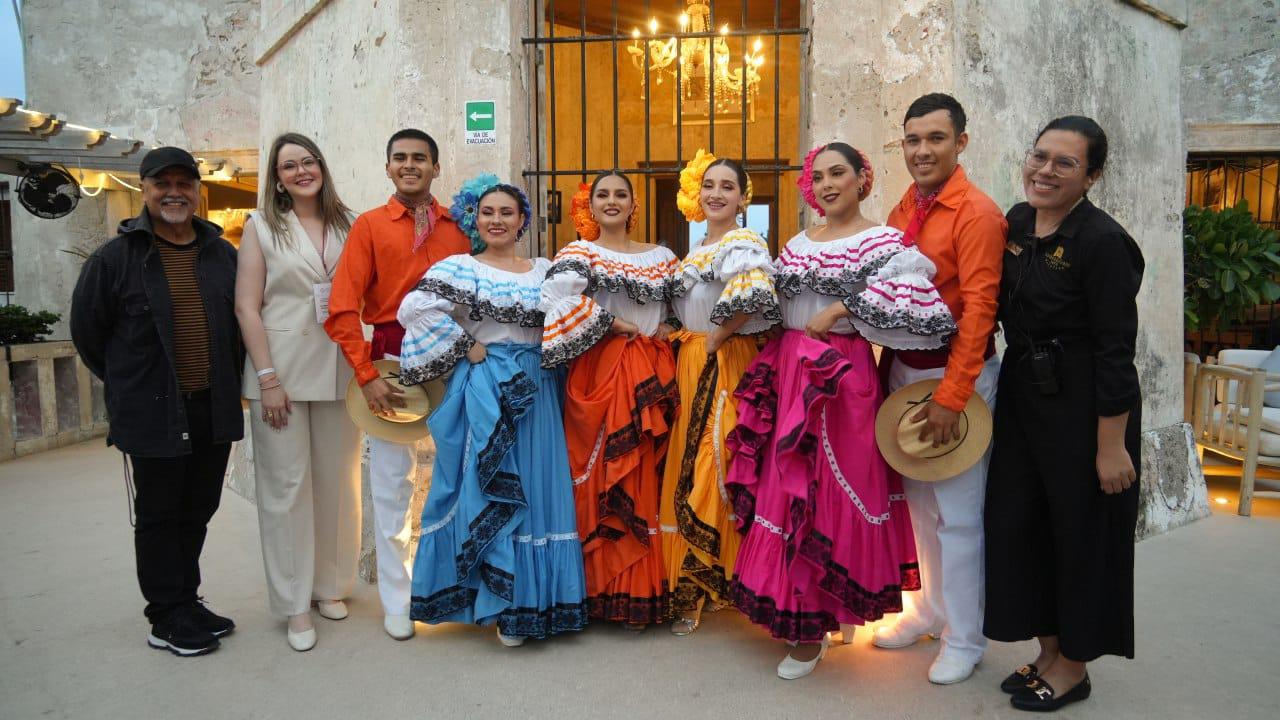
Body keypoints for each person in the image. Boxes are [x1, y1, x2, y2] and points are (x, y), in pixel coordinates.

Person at [726, 142, 956, 679]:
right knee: (788, 488)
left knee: (833, 492)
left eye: (838, 173)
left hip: (842, 377)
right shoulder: (797, 244)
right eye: (819, 176)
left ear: (861, 179)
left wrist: (844, 306)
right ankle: (809, 621)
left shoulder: (883, 242)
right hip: (790, 372)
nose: (827, 184)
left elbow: (914, 309)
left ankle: (820, 623)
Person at [985, 116, 1143, 713]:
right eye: (1040, 156)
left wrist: (1111, 446)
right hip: (1025, 398)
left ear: (1092, 176)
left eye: (1065, 163)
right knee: (1020, 525)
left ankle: (1073, 666)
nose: (1045, 170)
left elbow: (1114, 353)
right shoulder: (1018, 221)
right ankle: (1048, 648)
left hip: (1085, 409)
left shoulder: (1102, 243)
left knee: (1079, 534)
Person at [397, 176, 587, 646]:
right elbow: (414, 310)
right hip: (487, 387)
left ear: (523, 220)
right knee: (490, 488)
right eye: (488, 212)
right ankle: (499, 603)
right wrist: (466, 343)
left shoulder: (547, 270)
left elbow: (572, 318)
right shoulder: (462, 269)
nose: (496, 220)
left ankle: (534, 604)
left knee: (539, 488)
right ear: (474, 218)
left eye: (507, 212)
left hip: (539, 388)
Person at [70, 146, 242, 657]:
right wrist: (132, 387)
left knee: (199, 509)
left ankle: (185, 600)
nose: (174, 193)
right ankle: (164, 616)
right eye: (161, 184)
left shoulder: (222, 255)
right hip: (153, 410)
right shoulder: (113, 259)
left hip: (211, 406)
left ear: (197, 191)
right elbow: (88, 335)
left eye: (183, 184)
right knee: (160, 514)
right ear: (144, 190)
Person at [873, 93, 1008, 686]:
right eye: (912, 139)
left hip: (956, 379)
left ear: (961, 143)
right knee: (921, 508)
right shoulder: (905, 205)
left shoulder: (977, 212)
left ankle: (965, 638)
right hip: (903, 374)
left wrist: (954, 397)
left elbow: (980, 308)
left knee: (958, 514)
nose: (922, 150)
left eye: (935, 138)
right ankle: (927, 611)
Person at [324, 129, 470, 640]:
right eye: (400, 158)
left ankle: (455, 586)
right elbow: (342, 308)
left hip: (456, 360)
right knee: (391, 481)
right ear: (388, 167)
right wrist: (365, 375)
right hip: (391, 358)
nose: (410, 165)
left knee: (460, 475)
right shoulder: (368, 226)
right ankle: (397, 596)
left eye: (420, 158)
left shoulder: (460, 228)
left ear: (435, 168)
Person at [234, 133, 361, 652]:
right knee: (286, 489)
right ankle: (292, 604)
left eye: (309, 161)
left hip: (340, 369)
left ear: (322, 167)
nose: (302, 171)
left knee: (338, 483)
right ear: (277, 177)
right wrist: (266, 379)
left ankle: (330, 586)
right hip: (280, 375)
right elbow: (247, 307)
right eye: (290, 165)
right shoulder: (261, 226)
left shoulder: (351, 223)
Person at [541, 171, 680, 629]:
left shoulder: (661, 257)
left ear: (633, 204)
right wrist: (613, 324)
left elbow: (680, 307)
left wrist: (664, 331)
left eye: (621, 194)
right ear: (590, 205)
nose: (613, 201)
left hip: (651, 369)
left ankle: (638, 591)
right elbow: (555, 298)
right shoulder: (580, 253)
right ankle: (596, 591)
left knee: (646, 473)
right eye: (604, 194)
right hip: (600, 369)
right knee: (598, 473)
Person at [659, 151, 778, 636]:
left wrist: (717, 335)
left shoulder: (744, 241)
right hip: (691, 359)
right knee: (691, 457)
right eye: (709, 184)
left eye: (728, 186)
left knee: (717, 459)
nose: (716, 193)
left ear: (744, 197)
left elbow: (754, 298)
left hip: (725, 359)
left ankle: (715, 580)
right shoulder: (695, 251)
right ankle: (702, 583)